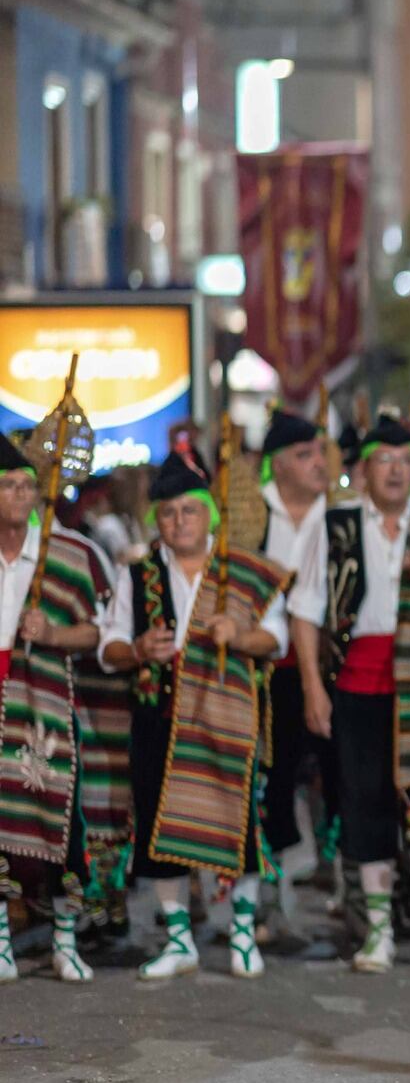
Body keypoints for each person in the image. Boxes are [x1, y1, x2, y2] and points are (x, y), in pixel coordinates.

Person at [288, 413, 410, 974]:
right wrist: (312, 687)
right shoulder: (336, 525)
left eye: (405, 461)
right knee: (364, 803)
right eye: (385, 461)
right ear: (365, 469)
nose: (396, 471)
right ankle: (376, 927)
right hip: (358, 683)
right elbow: (304, 611)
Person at [103, 448, 291, 979]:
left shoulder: (242, 573)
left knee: (238, 825)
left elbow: (275, 639)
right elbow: (108, 647)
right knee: (161, 828)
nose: (179, 521)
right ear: (155, 519)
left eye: (189, 509)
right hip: (158, 715)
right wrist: (139, 650)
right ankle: (180, 939)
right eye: (167, 512)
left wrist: (239, 635)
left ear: (210, 512)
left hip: (226, 714)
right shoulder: (137, 577)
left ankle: (242, 935)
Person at [0, 433, 115, 983]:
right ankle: (1, 939)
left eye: (27, 485)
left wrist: (52, 632)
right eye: (8, 486)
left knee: (61, 819)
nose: (20, 496)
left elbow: (99, 632)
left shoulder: (66, 554)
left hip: (46, 701)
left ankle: (66, 939)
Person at [254, 406, 329, 925]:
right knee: (273, 774)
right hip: (269, 668)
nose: (318, 463)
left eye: (320, 452)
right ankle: (267, 881)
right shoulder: (250, 515)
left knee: (337, 772)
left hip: (334, 666)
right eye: (305, 455)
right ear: (279, 464)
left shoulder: (343, 511)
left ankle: (346, 875)